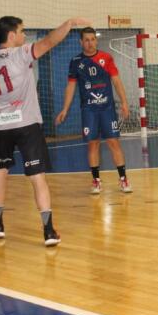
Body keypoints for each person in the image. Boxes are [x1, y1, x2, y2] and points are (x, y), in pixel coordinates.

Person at [0, 16, 91, 246]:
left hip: (0, 125)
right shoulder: (20, 54)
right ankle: (49, 230)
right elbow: (49, 42)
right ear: (11, 35)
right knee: (37, 177)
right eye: (22, 31)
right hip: (26, 125)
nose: (24, 35)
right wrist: (68, 24)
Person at [55, 27, 132, 195]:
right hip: (89, 110)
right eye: (86, 40)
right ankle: (96, 180)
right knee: (93, 144)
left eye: (92, 39)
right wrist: (65, 109)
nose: (90, 43)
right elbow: (71, 86)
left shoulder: (106, 58)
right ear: (81, 42)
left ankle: (123, 178)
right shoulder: (76, 62)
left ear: (96, 41)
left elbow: (117, 81)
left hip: (107, 108)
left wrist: (125, 103)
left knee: (113, 142)